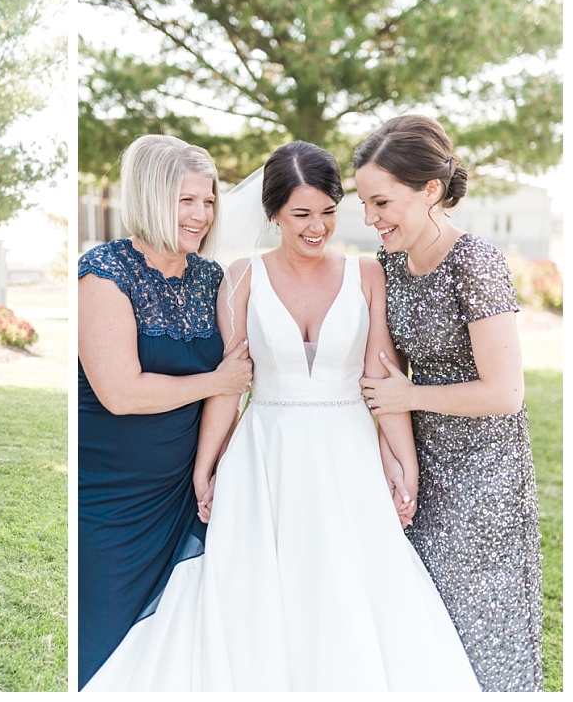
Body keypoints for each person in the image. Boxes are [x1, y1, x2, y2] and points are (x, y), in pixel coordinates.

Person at [85, 142, 479, 692]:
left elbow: (383, 380)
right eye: (301, 214)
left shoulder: (369, 274)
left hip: (348, 455)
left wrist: (402, 463)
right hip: (264, 454)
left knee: (348, 585)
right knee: (261, 589)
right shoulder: (240, 277)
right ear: (273, 214)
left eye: (327, 211)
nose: (316, 227)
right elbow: (231, 385)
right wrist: (207, 465)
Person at [354, 114, 543, 692]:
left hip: (485, 471)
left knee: (478, 618)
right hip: (423, 460)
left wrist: (409, 395)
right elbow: (383, 371)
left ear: (430, 190)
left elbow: (505, 393)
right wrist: (393, 453)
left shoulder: (475, 263)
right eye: (363, 203)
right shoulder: (389, 265)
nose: (370, 219)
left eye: (382, 202)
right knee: (419, 613)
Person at [77, 134, 253, 689]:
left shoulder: (210, 278)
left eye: (208, 201)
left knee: (170, 647)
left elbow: (235, 383)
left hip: (183, 491)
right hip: (109, 496)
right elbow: (121, 393)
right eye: (186, 201)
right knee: (101, 639)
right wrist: (215, 379)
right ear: (152, 198)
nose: (201, 215)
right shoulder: (102, 272)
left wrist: (209, 467)